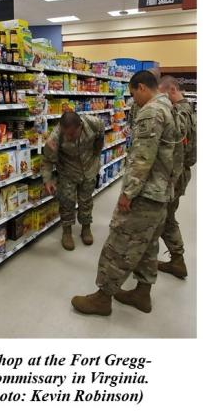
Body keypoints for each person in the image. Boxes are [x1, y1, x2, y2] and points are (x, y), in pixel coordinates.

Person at [71, 70, 176, 316]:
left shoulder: (151, 111)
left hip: (145, 194)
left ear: (141, 87)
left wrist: (128, 193)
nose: (133, 100)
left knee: (119, 242)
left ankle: (102, 298)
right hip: (160, 192)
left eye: (132, 94)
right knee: (148, 244)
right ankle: (142, 293)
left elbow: (142, 158)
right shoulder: (168, 106)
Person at [42, 111, 105, 251]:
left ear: (80, 126)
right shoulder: (56, 136)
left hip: (89, 169)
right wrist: (48, 180)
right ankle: (67, 232)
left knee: (86, 200)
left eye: (71, 134)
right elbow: (47, 161)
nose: (68, 137)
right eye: (65, 134)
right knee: (67, 202)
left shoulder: (94, 124)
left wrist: (96, 154)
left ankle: (86, 228)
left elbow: (100, 137)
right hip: (67, 172)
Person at [157, 75, 196, 278]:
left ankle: (177, 259)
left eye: (162, 95)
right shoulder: (188, 108)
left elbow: (175, 148)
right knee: (166, 217)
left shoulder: (179, 113)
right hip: (181, 172)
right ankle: (177, 259)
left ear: (172, 90)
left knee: (166, 218)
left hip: (175, 175)